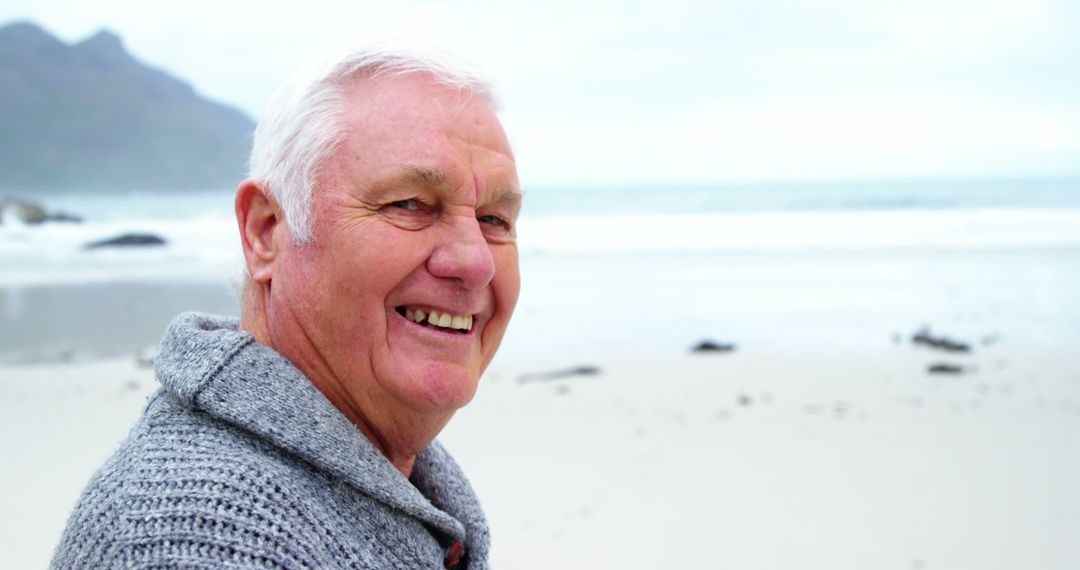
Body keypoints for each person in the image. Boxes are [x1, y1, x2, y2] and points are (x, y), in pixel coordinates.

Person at [51, 43, 521, 569]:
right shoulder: (202, 536)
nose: (475, 261)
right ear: (266, 232)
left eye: (495, 220)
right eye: (409, 204)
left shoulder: (377, 470)